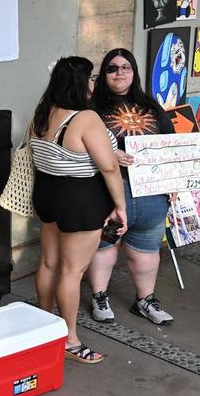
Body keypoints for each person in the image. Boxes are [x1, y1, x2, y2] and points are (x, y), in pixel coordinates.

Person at [29, 57, 127, 364]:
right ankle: (69, 340)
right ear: (82, 83)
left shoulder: (42, 113)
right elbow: (109, 168)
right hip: (80, 199)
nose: (94, 83)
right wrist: (120, 206)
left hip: (47, 194)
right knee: (72, 271)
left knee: (48, 263)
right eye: (92, 78)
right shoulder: (85, 118)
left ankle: (43, 327)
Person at [86, 48, 176, 326]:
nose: (120, 72)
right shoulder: (91, 108)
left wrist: (174, 180)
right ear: (104, 74)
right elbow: (78, 146)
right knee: (104, 246)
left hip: (150, 190)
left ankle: (145, 300)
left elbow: (170, 143)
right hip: (109, 189)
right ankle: (99, 296)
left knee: (147, 249)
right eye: (113, 68)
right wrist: (108, 156)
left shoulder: (151, 105)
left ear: (134, 72)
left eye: (126, 67)